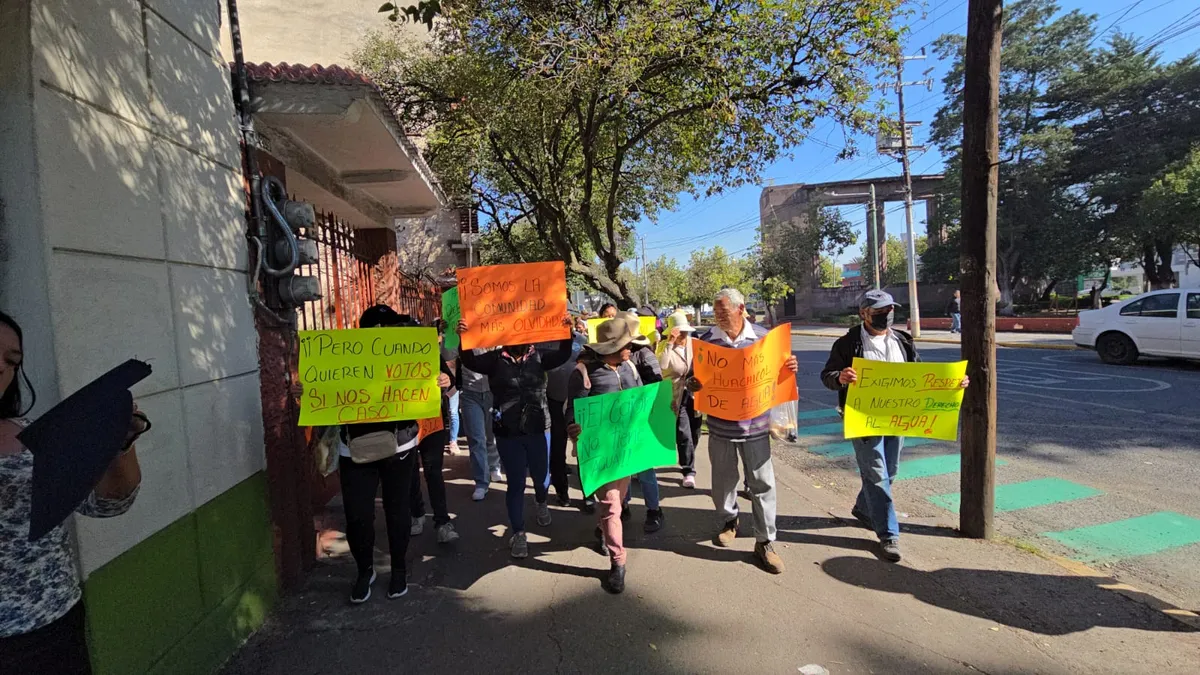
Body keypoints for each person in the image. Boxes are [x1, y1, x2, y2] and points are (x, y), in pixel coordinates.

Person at [1, 310, 149, 673]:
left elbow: (107, 503)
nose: (1, 369)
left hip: (53, 621)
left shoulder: (34, 435)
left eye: (11, 361)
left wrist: (122, 441)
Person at [819, 290, 969, 562]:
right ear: (864, 314)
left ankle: (864, 508)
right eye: (879, 312)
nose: (886, 316)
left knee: (891, 470)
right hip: (864, 419)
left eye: (889, 310)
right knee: (876, 474)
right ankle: (889, 535)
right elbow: (827, 376)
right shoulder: (847, 343)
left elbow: (921, 377)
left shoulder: (902, 340)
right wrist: (840, 377)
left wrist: (952, 384)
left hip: (898, 418)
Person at [339, 305, 452, 603]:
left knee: (398, 511)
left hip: (399, 445)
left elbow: (447, 376)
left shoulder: (410, 350)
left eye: (386, 327)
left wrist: (445, 381)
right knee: (357, 516)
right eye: (374, 328)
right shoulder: (344, 355)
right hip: (353, 448)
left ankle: (399, 569)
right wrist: (308, 391)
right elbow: (324, 391)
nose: (380, 333)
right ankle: (365, 570)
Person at [688, 288, 798, 574]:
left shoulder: (763, 338)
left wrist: (790, 367)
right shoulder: (706, 341)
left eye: (724, 311)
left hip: (757, 427)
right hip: (720, 426)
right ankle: (729, 520)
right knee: (723, 482)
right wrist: (693, 386)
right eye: (716, 312)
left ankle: (765, 542)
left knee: (762, 485)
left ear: (740, 309)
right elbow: (693, 378)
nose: (719, 317)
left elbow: (779, 373)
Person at [457, 319, 574, 558]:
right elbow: (470, 361)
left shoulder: (540, 357)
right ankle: (518, 533)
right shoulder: (495, 360)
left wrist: (566, 330)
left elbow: (563, 354)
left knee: (542, 479)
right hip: (508, 432)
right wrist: (464, 338)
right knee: (517, 483)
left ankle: (541, 501)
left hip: (538, 429)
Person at [566, 317, 645, 593]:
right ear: (611, 347)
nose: (631, 349)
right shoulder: (584, 374)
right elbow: (571, 412)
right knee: (612, 504)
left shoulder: (630, 368)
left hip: (626, 451)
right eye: (626, 345)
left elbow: (640, 404)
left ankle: (602, 531)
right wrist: (572, 428)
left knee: (618, 501)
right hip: (599, 453)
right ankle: (618, 563)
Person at [410, 322, 460, 544]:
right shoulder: (385, 359)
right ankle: (417, 514)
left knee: (433, 472)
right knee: (410, 473)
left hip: (432, 423)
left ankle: (442, 522)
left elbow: (452, 382)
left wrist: (446, 380)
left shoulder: (430, 355)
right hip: (405, 428)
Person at [546, 317, 589, 507]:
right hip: (553, 401)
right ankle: (562, 491)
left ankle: (589, 494)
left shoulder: (581, 340)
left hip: (578, 403)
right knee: (557, 450)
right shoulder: (541, 341)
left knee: (584, 450)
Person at [658, 310, 701, 489]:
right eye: (679, 332)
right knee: (684, 432)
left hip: (696, 394)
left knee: (695, 431)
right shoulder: (664, 346)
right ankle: (688, 470)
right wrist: (670, 343)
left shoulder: (696, 344)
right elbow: (662, 366)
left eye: (685, 332)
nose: (682, 336)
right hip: (676, 395)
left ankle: (688, 456)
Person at [460, 343, 503, 503]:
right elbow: (448, 355)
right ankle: (481, 482)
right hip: (469, 392)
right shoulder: (462, 333)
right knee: (476, 438)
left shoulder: (495, 333)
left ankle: (494, 465)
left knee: (491, 433)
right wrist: (451, 335)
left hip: (493, 391)